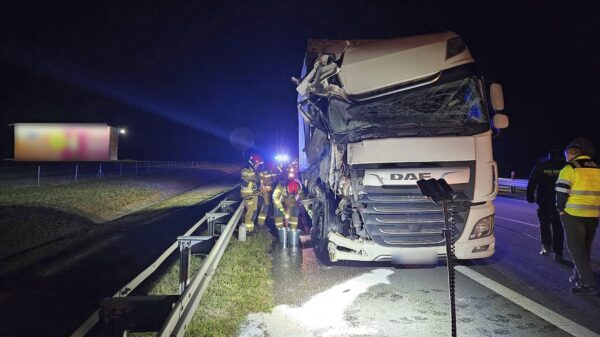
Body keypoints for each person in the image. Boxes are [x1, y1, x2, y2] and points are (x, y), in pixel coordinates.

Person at [555, 138, 600, 295]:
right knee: (585, 248)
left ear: (571, 154)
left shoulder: (570, 168)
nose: (566, 158)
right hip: (593, 215)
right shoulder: (597, 168)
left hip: (574, 215)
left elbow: (561, 192)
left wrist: (561, 210)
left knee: (576, 249)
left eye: (566, 156)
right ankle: (578, 277)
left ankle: (588, 283)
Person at [526, 149, 565, 260]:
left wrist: (530, 197)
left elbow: (532, 182)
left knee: (544, 224)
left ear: (549, 156)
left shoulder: (541, 166)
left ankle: (546, 246)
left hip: (544, 201)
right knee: (558, 226)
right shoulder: (565, 167)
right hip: (561, 201)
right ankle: (558, 253)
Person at [273, 178, 304, 246]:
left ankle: (292, 231)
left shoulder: (297, 186)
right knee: (278, 212)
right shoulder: (280, 186)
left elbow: (301, 196)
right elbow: (275, 198)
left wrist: (298, 202)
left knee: (295, 210)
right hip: (280, 200)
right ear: (287, 187)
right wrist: (281, 208)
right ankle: (280, 232)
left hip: (290, 200)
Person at [240, 154, 263, 232]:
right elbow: (244, 182)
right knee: (250, 212)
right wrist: (255, 183)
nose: (258, 165)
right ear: (253, 162)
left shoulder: (255, 171)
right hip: (248, 195)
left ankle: (251, 229)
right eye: (257, 164)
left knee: (254, 212)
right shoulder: (245, 170)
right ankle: (248, 231)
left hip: (254, 195)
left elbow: (257, 182)